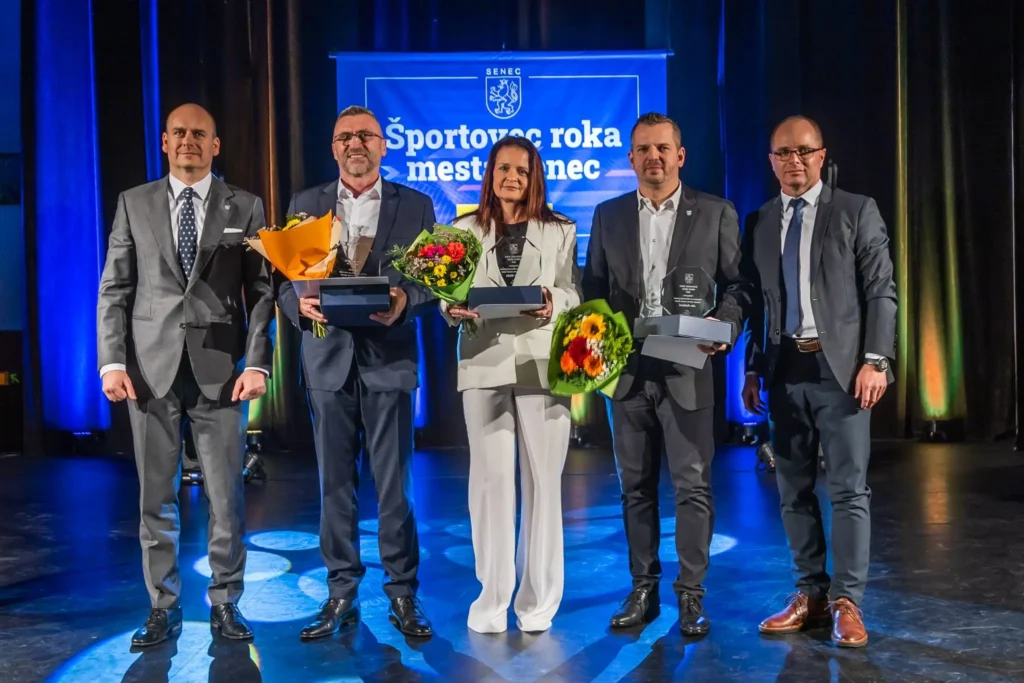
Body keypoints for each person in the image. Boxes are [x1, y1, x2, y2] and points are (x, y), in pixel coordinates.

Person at [97, 103, 275, 646]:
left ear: (215, 145)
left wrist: (257, 362)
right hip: (149, 372)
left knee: (226, 497)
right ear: (165, 141)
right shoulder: (134, 202)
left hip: (221, 370)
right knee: (156, 498)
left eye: (200, 134)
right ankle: (162, 606)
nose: (188, 141)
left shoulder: (245, 205)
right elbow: (115, 288)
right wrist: (112, 361)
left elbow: (261, 292)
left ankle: (226, 601)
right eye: (179, 132)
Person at [582, 112, 752, 635]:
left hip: (687, 366)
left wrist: (724, 324)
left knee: (692, 487)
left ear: (680, 155)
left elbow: (738, 286)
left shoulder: (716, 212)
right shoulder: (607, 215)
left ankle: (692, 597)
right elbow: (593, 289)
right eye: (643, 149)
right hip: (626, 372)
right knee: (634, 488)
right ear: (630, 159)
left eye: (662, 148)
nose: (652, 157)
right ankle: (643, 590)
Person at [276, 105, 436, 640]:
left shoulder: (416, 205)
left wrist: (405, 300)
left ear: (383, 145)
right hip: (328, 361)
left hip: (389, 360)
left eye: (366, 135)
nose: (355, 144)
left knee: (395, 488)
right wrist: (300, 307)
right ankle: (341, 592)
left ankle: (402, 593)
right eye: (345, 136)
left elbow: (431, 281)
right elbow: (283, 284)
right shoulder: (305, 205)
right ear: (334, 148)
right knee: (335, 487)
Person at [742, 116, 896, 648]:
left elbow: (881, 290)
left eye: (804, 151)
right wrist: (753, 368)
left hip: (844, 372)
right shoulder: (760, 221)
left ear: (822, 155)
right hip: (785, 372)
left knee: (849, 489)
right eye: (784, 153)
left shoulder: (855, 210)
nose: (795, 161)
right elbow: (760, 303)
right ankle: (809, 594)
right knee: (792, 489)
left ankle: (847, 602)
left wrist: (876, 360)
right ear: (771, 161)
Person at [441, 136, 579, 634]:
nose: (512, 178)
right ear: (490, 174)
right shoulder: (463, 229)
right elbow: (448, 292)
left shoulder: (561, 229)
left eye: (521, 170)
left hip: (542, 361)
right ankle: (492, 599)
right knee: (490, 482)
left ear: (534, 176)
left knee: (543, 482)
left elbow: (573, 291)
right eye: (503, 169)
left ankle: (538, 602)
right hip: (483, 360)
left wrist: (553, 299)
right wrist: (449, 306)